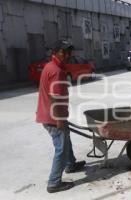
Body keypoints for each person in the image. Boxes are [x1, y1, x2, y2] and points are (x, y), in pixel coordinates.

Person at [36, 40, 86, 193]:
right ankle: (54, 182)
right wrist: (59, 120)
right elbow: (55, 98)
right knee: (61, 149)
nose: (68, 55)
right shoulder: (56, 71)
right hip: (53, 118)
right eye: (65, 52)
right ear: (57, 52)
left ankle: (71, 165)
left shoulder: (51, 66)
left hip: (50, 114)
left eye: (69, 52)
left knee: (66, 139)